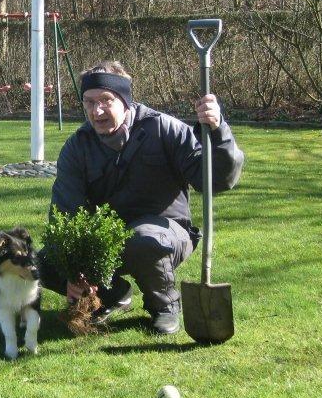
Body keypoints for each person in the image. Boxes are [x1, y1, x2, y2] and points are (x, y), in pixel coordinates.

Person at [44, 61, 245, 335]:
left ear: (125, 101)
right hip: (109, 239)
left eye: (106, 100)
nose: (96, 111)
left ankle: (164, 306)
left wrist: (218, 129)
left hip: (166, 233)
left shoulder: (165, 129)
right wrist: (73, 271)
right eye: (89, 102)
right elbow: (65, 213)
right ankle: (112, 293)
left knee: (143, 238)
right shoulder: (78, 146)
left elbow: (217, 180)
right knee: (42, 260)